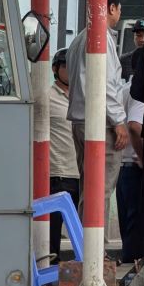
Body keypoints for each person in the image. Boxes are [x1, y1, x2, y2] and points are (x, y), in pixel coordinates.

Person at [66, 0, 129, 233]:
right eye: (119, 9)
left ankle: (86, 246)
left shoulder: (80, 38)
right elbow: (106, 84)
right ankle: (95, 250)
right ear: (112, 8)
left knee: (89, 187)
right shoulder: (100, 37)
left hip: (81, 122)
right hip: (100, 122)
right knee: (100, 189)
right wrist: (118, 120)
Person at [48, 48, 80, 263]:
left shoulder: (84, 96)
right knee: (51, 235)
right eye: (66, 66)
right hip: (59, 174)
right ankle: (48, 283)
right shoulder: (46, 97)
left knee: (85, 234)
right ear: (55, 69)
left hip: (82, 172)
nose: (71, 70)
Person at [116, 80, 144, 263]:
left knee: (128, 232)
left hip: (124, 166)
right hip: (136, 167)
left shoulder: (123, 89)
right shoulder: (140, 90)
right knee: (136, 240)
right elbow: (135, 127)